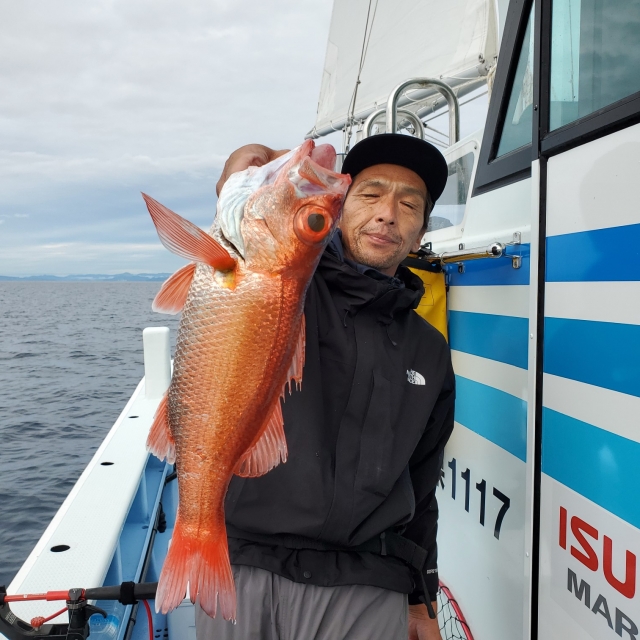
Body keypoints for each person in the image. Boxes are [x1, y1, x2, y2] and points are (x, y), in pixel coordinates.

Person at [198, 133, 455, 640]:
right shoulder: (284, 284)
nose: (387, 214)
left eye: (409, 205)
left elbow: (421, 485)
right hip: (248, 564)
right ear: (336, 211)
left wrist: (420, 600)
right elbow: (244, 250)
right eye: (370, 194)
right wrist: (238, 173)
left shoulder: (429, 348)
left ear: (421, 233)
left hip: (367, 581)